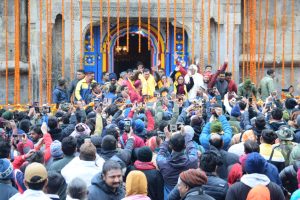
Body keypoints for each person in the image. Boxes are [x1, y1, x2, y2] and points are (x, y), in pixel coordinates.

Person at [157, 129, 198, 199]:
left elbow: (161, 153)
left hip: (168, 194)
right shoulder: (192, 161)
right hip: (187, 194)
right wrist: (186, 135)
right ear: (185, 146)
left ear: (170, 146)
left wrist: (167, 139)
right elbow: (192, 149)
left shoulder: (163, 162)